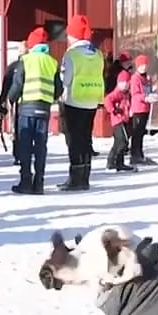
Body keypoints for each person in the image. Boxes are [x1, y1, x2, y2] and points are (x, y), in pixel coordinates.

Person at [4, 27, 60, 195]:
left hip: (27, 109)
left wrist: (10, 100)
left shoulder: (25, 61)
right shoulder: (52, 62)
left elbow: (17, 84)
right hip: (44, 109)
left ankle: (26, 181)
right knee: (41, 147)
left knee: (25, 147)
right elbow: (59, 89)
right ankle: (39, 183)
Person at [58, 15, 104, 191]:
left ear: (74, 35)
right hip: (92, 101)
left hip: (74, 101)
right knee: (86, 139)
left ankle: (75, 178)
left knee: (74, 140)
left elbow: (66, 79)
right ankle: (85, 176)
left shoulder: (71, 54)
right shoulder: (97, 53)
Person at [104, 71, 136, 172]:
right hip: (117, 120)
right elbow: (107, 100)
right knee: (122, 141)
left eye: (127, 83)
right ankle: (111, 162)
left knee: (121, 142)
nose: (125, 85)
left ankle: (119, 162)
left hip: (124, 119)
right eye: (122, 83)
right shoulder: (117, 93)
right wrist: (113, 109)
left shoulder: (126, 94)